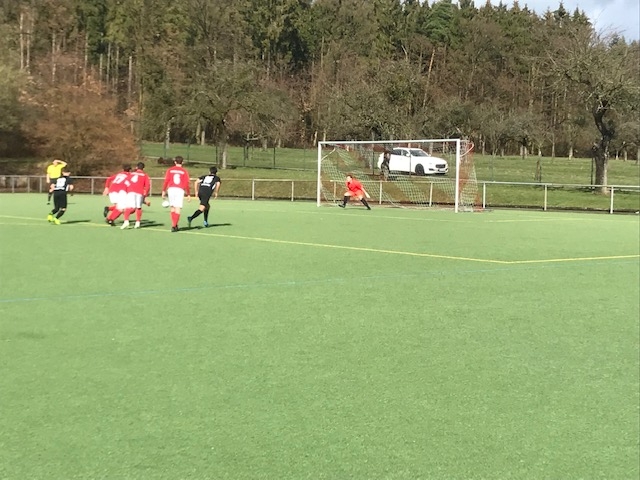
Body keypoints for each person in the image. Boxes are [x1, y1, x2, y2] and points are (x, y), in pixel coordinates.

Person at [161, 156, 191, 232]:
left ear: (175, 162)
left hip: (171, 189)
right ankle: (174, 226)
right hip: (179, 190)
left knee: (172, 207)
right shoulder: (184, 171)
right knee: (178, 208)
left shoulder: (170, 170)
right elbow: (186, 183)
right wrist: (188, 194)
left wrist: (163, 190)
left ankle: (174, 225)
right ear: (182, 162)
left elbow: (166, 180)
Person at [122, 162, 151, 229]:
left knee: (129, 207)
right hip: (139, 192)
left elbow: (126, 182)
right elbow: (147, 186)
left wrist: (127, 190)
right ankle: (137, 223)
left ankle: (126, 221)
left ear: (136, 167)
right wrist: (145, 194)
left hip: (131, 192)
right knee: (139, 207)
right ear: (143, 168)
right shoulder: (145, 175)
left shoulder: (131, 174)